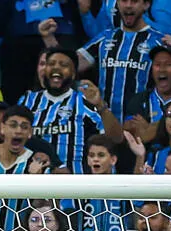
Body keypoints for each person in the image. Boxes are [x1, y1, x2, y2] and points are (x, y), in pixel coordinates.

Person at [19, 46, 121, 174]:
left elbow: (116, 139)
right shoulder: (28, 101)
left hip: (76, 186)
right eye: (51, 64)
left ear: (73, 74)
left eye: (64, 65)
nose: (56, 67)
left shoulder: (85, 101)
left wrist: (101, 106)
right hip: (35, 185)